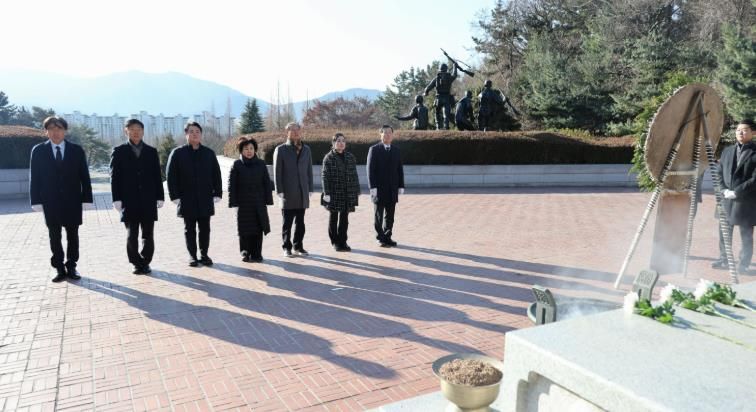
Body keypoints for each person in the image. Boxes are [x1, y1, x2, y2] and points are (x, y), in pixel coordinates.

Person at [29, 116, 93, 282]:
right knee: (54, 236)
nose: (55, 132)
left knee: (73, 235)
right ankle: (59, 268)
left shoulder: (76, 150)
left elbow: (84, 176)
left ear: (65, 131)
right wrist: (35, 200)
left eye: (59, 129)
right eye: (51, 128)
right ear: (46, 131)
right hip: (50, 201)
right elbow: (34, 177)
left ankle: (71, 266)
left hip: (72, 200)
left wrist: (87, 198)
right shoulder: (38, 151)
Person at [110, 119, 165, 274]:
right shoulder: (119, 151)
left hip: (148, 199)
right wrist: (116, 198)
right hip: (128, 200)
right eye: (132, 129)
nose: (136, 132)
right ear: (126, 131)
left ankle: (145, 262)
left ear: (143, 131)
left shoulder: (151, 151)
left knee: (148, 234)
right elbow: (114, 177)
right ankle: (135, 262)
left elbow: (157, 176)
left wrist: (160, 196)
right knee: (131, 234)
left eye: (139, 129)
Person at [166, 122, 222, 267]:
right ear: (186, 134)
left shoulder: (209, 153)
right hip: (186, 198)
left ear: (201, 134)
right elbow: (171, 176)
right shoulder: (178, 153)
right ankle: (192, 256)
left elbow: (216, 174)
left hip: (205, 197)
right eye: (191, 131)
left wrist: (217, 192)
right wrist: (174, 196)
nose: (195, 134)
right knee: (189, 229)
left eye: (197, 131)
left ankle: (204, 255)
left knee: (205, 229)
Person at [712, 119, 756, 274]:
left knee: (746, 234)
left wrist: (737, 192)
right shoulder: (727, 151)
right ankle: (724, 258)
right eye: (738, 130)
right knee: (724, 230)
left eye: (744, 130)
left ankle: (743, 263)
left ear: (753, 132)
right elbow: (718, 173)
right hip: (726, 199)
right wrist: (723, 190)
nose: (740, 133)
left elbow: (755, 179)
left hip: (746, 200)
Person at [228, 137, 273, 262]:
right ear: (241, 151)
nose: (249, 151)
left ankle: (257, 253)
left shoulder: (261, 164)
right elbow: (232, 186)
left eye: (251, 148)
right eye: (246, 149)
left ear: (255, 150)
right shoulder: (237, 165)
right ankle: (245, 252)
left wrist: (268, 200)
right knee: (245, 229)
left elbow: (266, 183)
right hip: (243, 203)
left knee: (258, 228)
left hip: (258, 202)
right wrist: (234, 203)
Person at [273, 122, 313, 257]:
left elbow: (309, 170)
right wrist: (279, 190)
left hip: (302, 192)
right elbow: (277, 172)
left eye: (298, 130)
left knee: (301, 223)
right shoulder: (281, 149)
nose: (296, 132)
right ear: (287, 132)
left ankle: (298, 246)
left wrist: (310, 187)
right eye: (292, 130)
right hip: (288, 192)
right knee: (287, 223)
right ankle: (286, 247)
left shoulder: (306, 149)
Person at [366, 125, 405, 247]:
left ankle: (387, 236)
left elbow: (399, 169)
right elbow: (370, 170)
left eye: (390, 133)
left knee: (390, 215)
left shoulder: (396, 150)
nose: (387, 135)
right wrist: (372, 187)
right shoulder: (374, 149)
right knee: (378, 215)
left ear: (392, 135)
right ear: (381, 134)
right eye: (385, 132)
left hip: (392, 188)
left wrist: (401, 185)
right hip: (378, 189)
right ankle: (380, 237)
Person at [321, 133, 360, 252]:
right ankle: (335, 242)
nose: (341, 143)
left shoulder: (350, 157)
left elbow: (354, 174)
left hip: (347, 191)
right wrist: (326, 193)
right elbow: (324, 176)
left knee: (344, 217)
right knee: (333, 217)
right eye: (338, 141)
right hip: (334, 192)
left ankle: (343, 241)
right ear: (333, 143)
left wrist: (357, 189)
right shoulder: (328, 157)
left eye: (343, 141)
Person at [424, 63, 458, 130]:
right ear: (446, 69)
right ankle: (446, 126)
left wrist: (426, 92)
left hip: (438, 98)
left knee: (437, 113)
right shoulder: (449, 77)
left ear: (440, 69)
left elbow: (428, 87)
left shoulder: (436, 78)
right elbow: (455, 75)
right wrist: (455, 67)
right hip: (446, 98)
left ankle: (438, 126)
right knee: (446, 113)